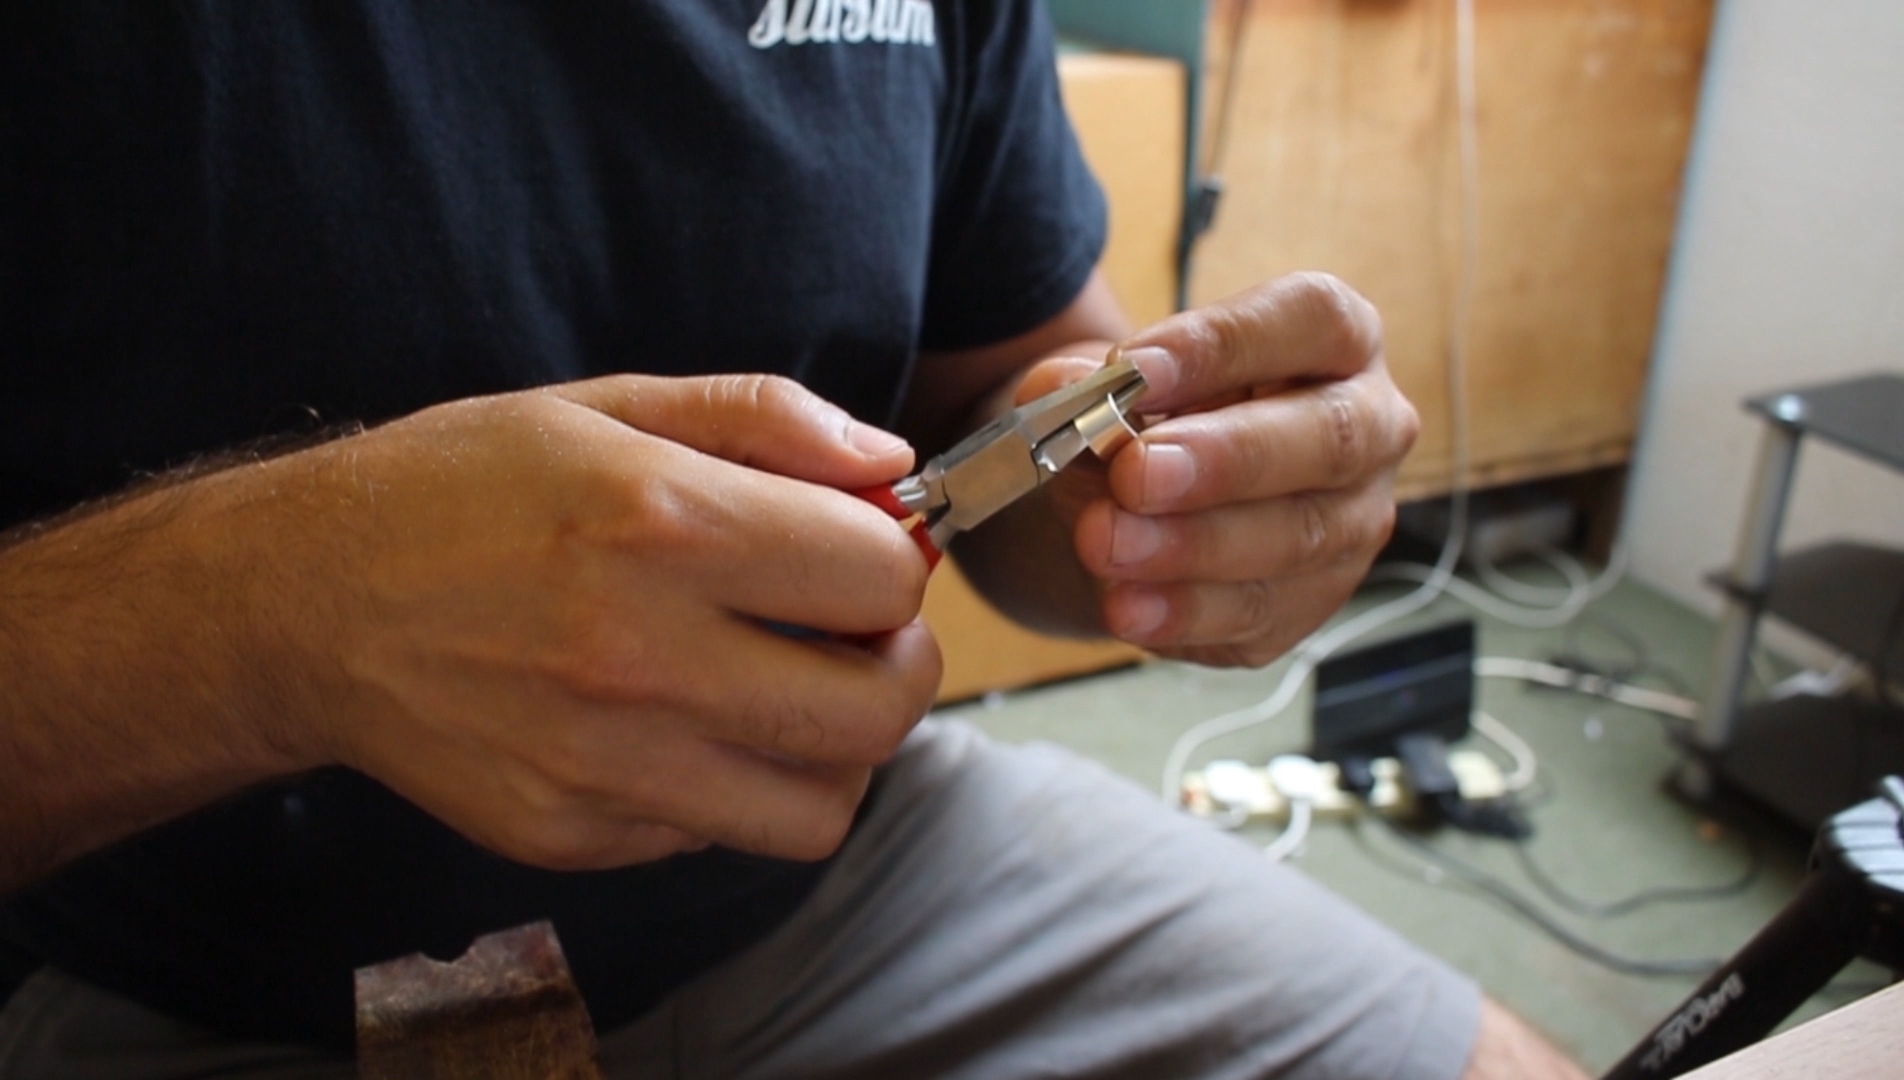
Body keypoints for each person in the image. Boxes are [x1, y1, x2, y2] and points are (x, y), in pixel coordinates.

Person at [0, 2, 1587, 1077]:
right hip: (184, 978)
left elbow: (1016, 378)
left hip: (848, 881)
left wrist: (1150, 498)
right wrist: (273, 608)